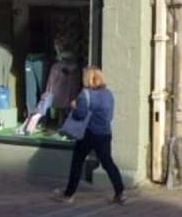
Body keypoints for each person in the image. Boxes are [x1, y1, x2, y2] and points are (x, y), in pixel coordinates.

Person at [53, 66, 127, 204]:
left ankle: (69, 194)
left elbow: (80, 115)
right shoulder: (108, 94)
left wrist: (74, 106)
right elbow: (110, 116)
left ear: (88, 78)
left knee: (77, 162)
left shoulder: (85, 94)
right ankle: (120, 192)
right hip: (104, 133)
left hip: (88, 133)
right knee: (108, 162)